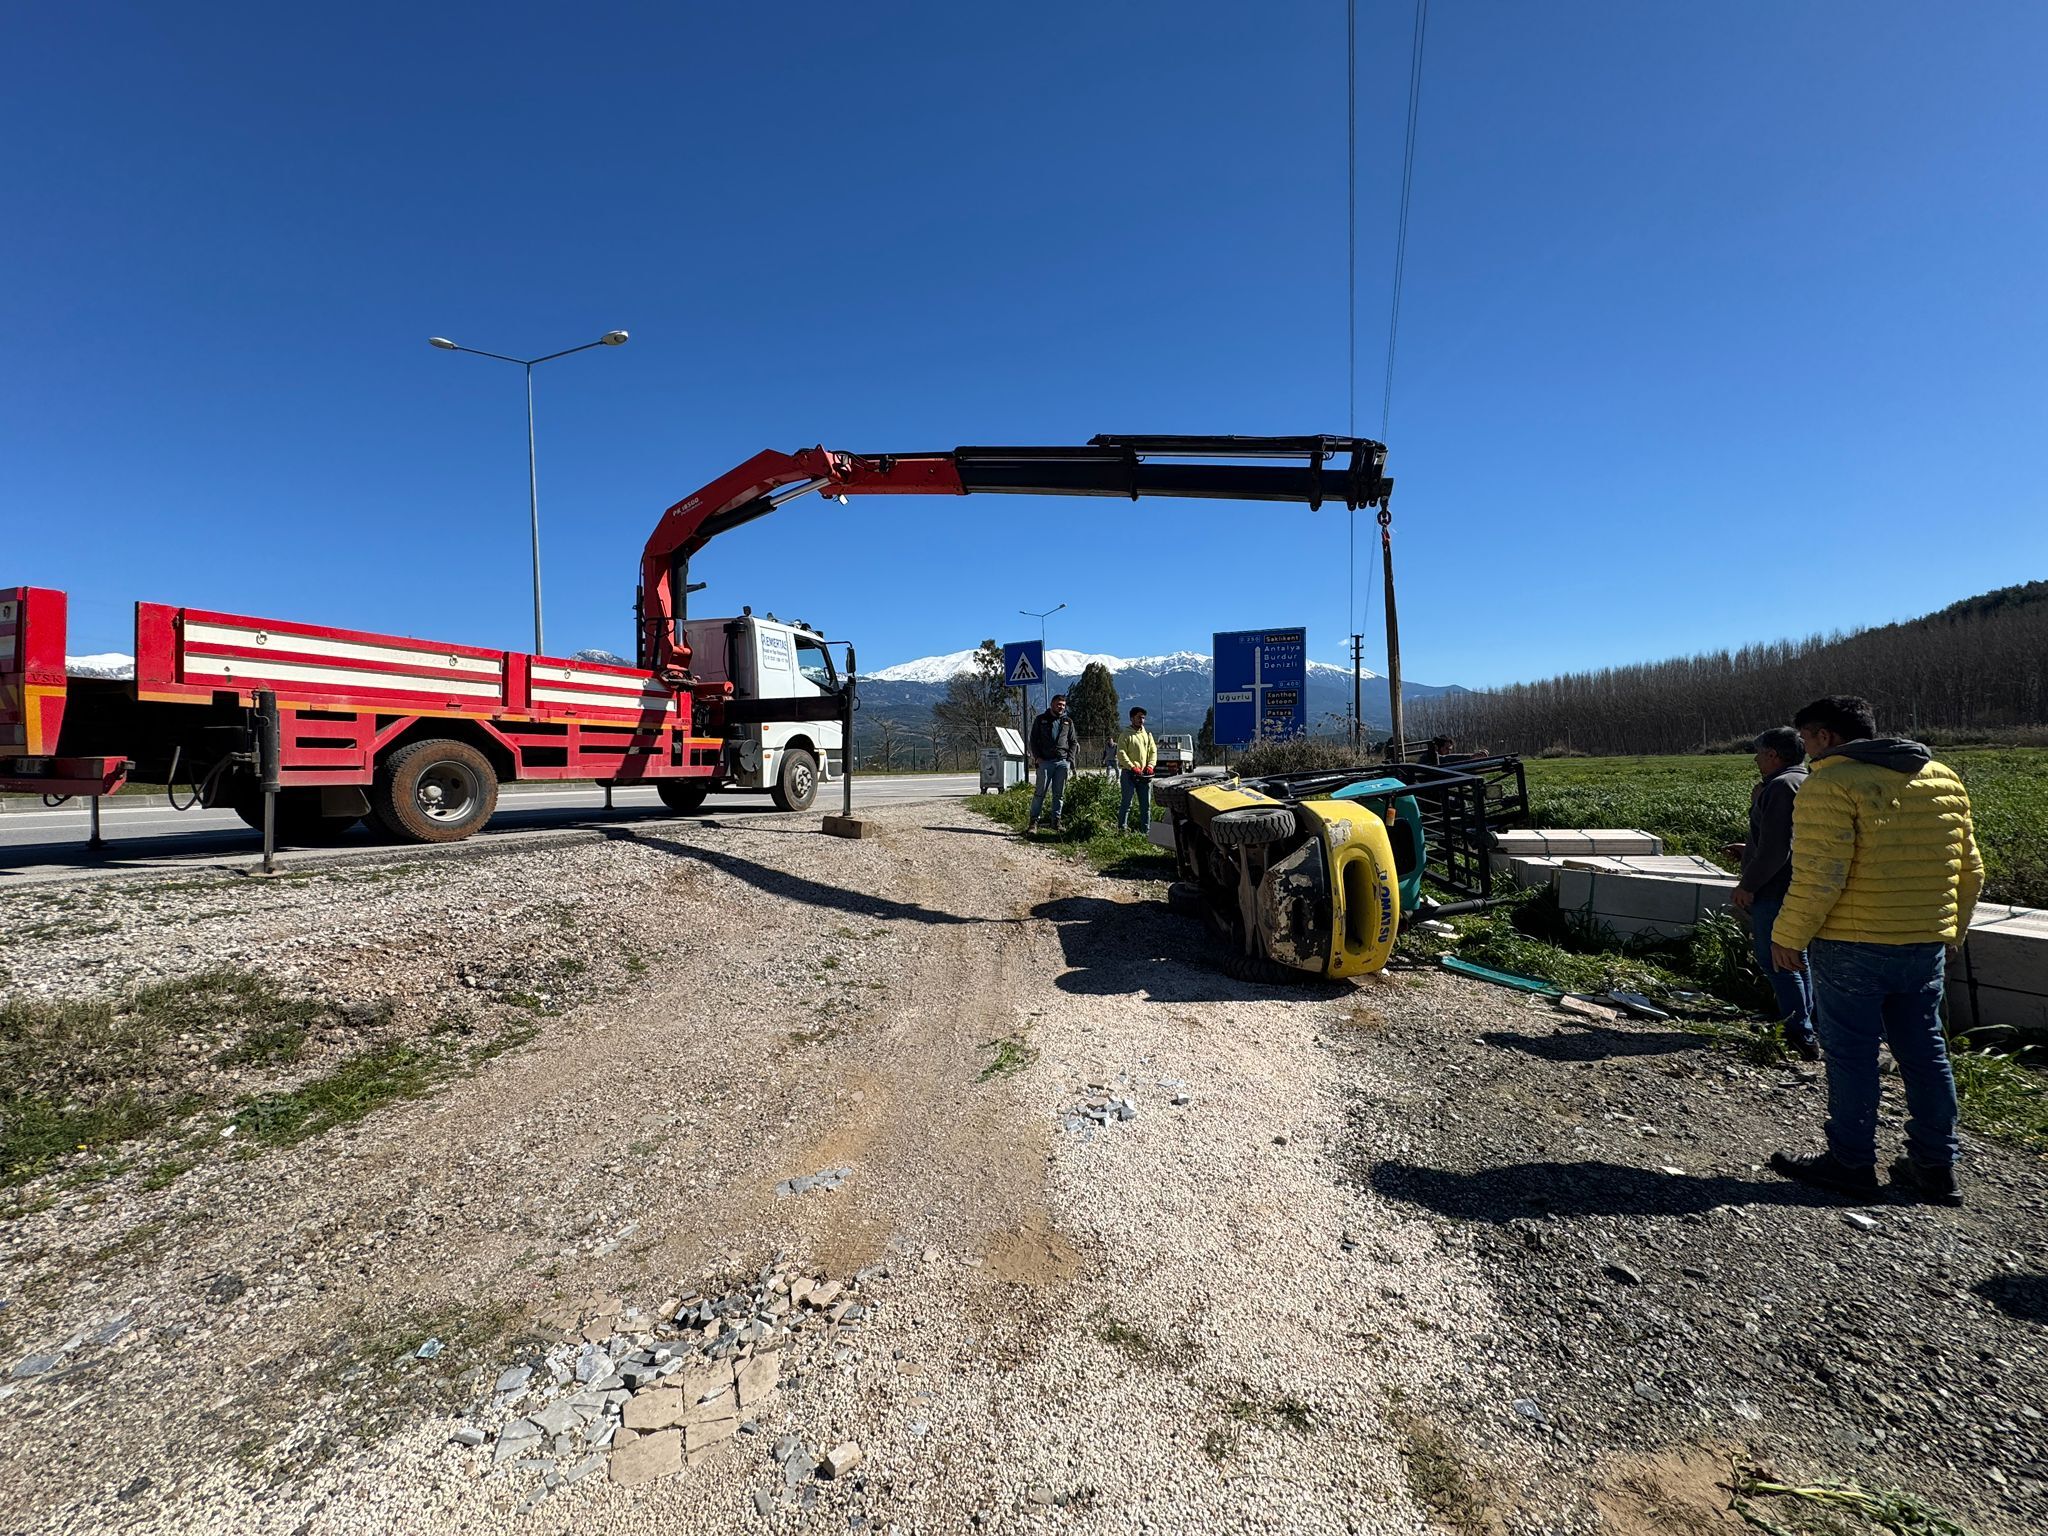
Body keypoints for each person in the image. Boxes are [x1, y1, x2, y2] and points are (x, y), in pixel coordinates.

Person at [1766, 695, 1983, 1206]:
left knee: (1852, 1055)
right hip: (1924, 940)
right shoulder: (1942, 777)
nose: (1807, 751)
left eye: (1808, 740)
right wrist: (1953, 931)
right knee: (1926, 1052)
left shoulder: (1831, 784)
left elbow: (1822, 875)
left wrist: (1787, 936)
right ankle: (1935, 1165)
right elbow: (1970, 869)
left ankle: (1851, 1161)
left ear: (1827, 737)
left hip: (1853, 942)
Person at [1720, 726, 1818, 1060]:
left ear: (1773, 754)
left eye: (1759, 753)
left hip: (1776, 888)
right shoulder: (1805, 780)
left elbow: (1777, 850)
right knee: (1795, 955)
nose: (1756, 759)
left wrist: (1748, 885)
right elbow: (1791, 839)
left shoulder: (1779, 786)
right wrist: (1748, 848)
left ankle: (1798, 1032)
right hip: (1800, 884)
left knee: (1775, 957)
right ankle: (1807, 1021)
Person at [1025, 694, 1077, 833]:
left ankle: (1056, 822)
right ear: (1052, 705)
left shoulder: (1068, 722)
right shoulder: (1041, 720)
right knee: (1040, 793)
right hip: (1045, 762)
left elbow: (1073, 742)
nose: (1061, 707)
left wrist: (1069, 760)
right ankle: (1033, 823)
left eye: (1063, 705)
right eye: (1059, 704)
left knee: (1059, 794)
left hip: (1062, 762)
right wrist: (1037, 757)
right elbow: (1033, 740)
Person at [1115, 706, 1158, 833]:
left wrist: (1150, 765)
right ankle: (1122, 829)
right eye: (1139, 717)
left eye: (1143, 718)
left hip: (1144, 775)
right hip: (1129, 774)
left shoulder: (1147, 735)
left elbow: (1153, 751)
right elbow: (1121, 753)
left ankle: (1146, 831)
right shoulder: (1125, 735)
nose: (1141, 720)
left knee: (1146, 806)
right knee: (1127, 803)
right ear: (1131, 718)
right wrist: (1132, 766)